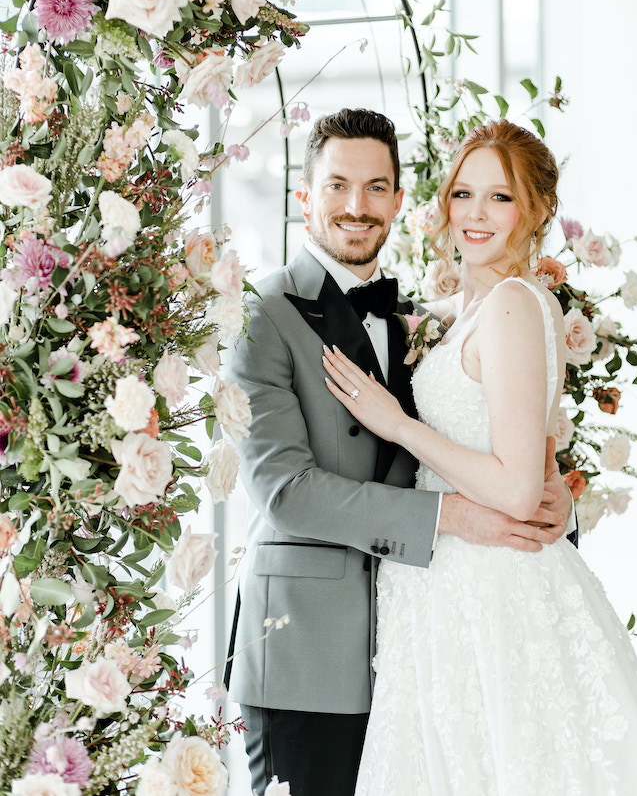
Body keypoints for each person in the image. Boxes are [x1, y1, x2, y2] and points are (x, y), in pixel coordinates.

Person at [225, 109, 574, 796]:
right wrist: (448, 516)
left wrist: (553, 485)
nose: (358, 206)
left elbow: (489, 422)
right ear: (304, 196)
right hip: (307, 644)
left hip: (415, 638)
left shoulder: (418, 316)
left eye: (377, 187)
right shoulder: (261, 313)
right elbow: (286, 491)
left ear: (401, 200)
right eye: (338, 186)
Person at [323, 118, 637, 795]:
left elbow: (512, 491)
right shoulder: (461, 310)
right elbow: (532, 451)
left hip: (491, 587)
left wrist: (400, 426)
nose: (475, 214)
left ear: (534, 210)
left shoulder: (510, 305)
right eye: (464, 193)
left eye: (499, 197)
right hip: (446, 585)